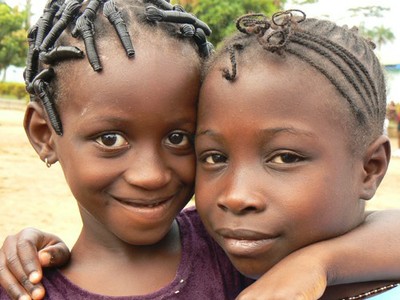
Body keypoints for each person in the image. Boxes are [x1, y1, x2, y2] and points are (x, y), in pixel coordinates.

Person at [2, 4, 400, 300]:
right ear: (43, 134)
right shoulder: (24, 287)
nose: (151, 175)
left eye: (178, 138)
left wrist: (316, 264)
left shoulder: (233, 249)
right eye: (111, 140)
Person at [194, 9, 400, 299]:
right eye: (215, 157)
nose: (236, 197)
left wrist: (319, 264)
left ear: (370, 168)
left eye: (285, 158)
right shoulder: (201, 267)